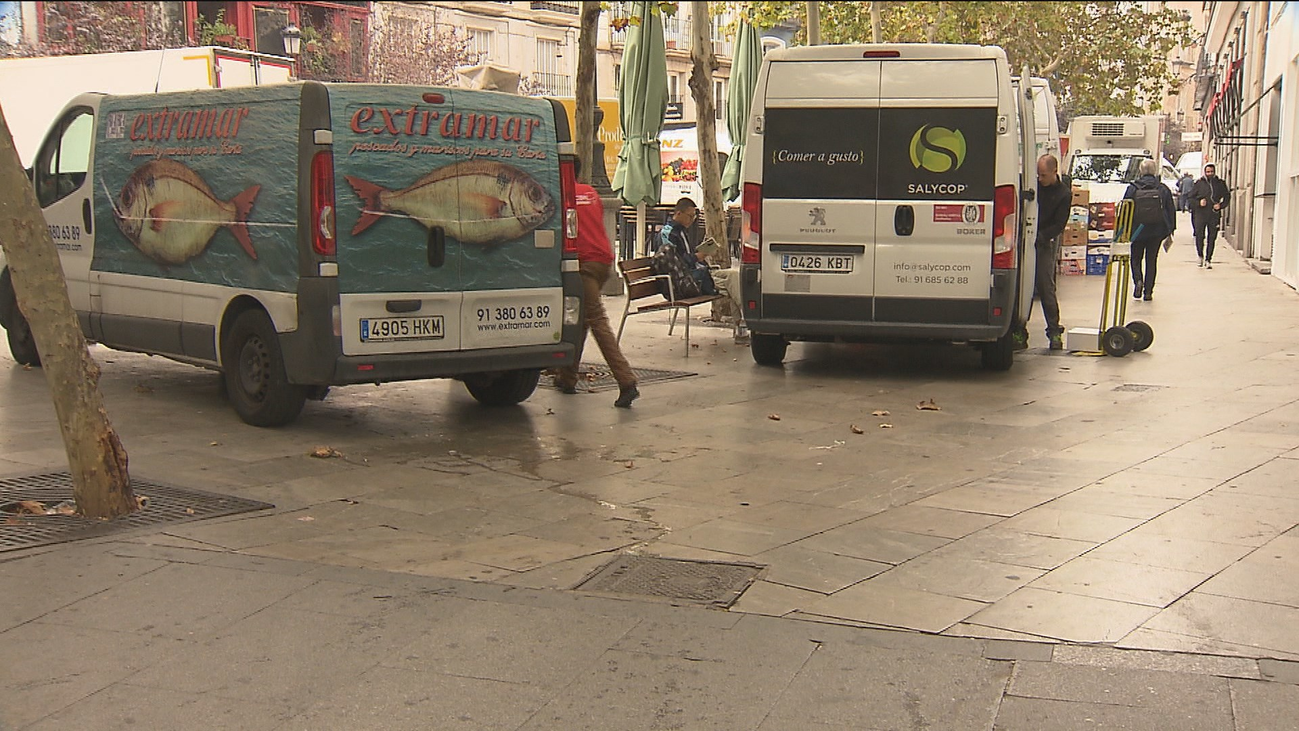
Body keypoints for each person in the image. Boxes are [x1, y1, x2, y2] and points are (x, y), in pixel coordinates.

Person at [555, 160, 639, 408]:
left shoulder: (562, 195)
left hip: (582, 264)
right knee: (580, 320)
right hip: (602, 260)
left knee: (597, 320)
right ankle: (567, 377)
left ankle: (626, 381)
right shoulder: (590, 193)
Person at [1016, 154, 1071, 351]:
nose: (1040, 179)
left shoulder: (1063, 194)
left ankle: (1054, 330)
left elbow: (1059, 224)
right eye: (1038, 175)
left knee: (1045, 286)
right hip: (1024, 239)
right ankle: (1019, 330)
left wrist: (1041, 236)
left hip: (1044, 241)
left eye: (1044, 175)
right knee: (1021, 285)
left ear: (1054, 172)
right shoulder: (1034, 186)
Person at [1122, 158, 1176, 301]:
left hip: (1137, 229)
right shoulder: (1162, 188)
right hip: (1156, 230)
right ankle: (1148, 292)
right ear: (1154, 171)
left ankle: (1138, 281)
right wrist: (1170, 230)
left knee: (1136, 258)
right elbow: (1171, 210)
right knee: (1151, 260)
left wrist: (1123, 230)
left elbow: (1125, 209)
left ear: (1141, 171)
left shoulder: (1133, 188)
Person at [658, 197, 717, 296]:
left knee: (731, 278)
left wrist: (701, 255)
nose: (692, 220)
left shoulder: (682, 231)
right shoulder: (668, 233)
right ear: (679, 214)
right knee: (730, 283)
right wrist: (696, 257)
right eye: (690, 216)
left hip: (692, 277)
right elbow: (674, 262)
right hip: (681, 283)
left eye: (694, 217)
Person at [1190, 163, 1229, 269]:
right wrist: (1198, 203)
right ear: (1204, 172)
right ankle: (1200, 256)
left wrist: (1220, 205)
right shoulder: (1198, 184)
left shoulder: (1220, 183)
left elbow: (1227, 197)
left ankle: (1208, 259)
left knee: (1212, 237)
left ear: (1214, 172)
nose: (1210, 174)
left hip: (1214, 214)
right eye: (1208, 172)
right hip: (1200, 214)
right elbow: (1190, 199)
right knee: (1199, 235)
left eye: (1211, 172)